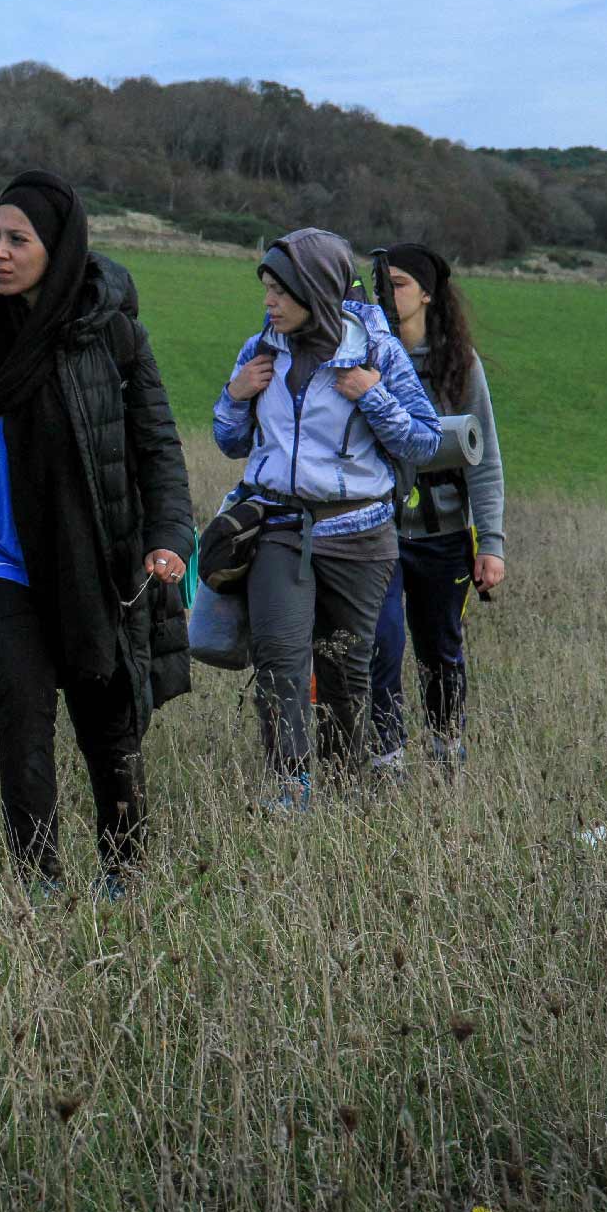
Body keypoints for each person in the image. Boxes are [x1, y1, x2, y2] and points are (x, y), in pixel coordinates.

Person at [0, 170, 193, 899]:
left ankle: (123, 876)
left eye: (17, 239)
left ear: (57, 246)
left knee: (107, 727)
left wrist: (170, 535)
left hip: (94, 568)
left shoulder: (112, 335)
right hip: (1, 569)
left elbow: (158, 450)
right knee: (21, 726)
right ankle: (41, 887)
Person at [211, 229, 441, 809]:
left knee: (344, 674)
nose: (269, 303)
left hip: (361, 538)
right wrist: (236, 395)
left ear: (314, 289)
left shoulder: (376, 352)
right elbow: (230, 442)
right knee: (280, 662)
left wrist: (372, 395)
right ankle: (290, 791)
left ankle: (343, 786)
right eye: (265, 290)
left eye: (280, 292)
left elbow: (423, 442)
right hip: (278, 530)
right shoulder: (258, 350)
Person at [367, 243, 506, 769]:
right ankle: (387, 758)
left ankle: (447, 748)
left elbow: (484, 458)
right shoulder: (364, 355)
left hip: (445, 535)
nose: (388, 294)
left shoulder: (458, 363)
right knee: (382, 645)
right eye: (383, 284)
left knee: (440, 652)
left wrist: (490, 545)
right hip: (376, 530)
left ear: (427, 294)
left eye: (399, 284)